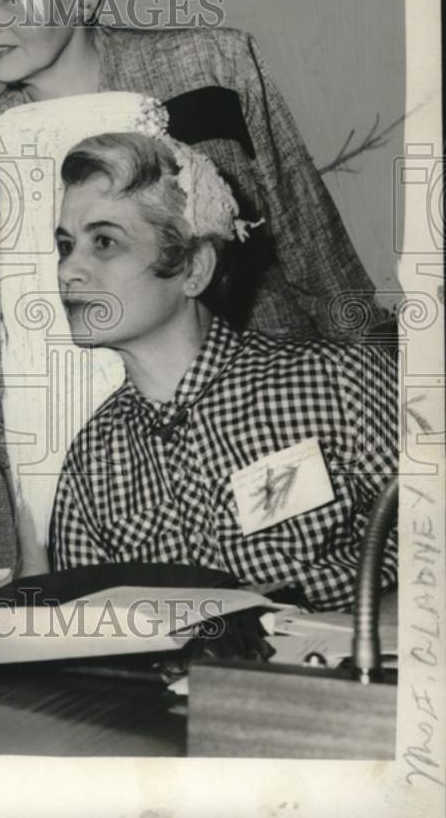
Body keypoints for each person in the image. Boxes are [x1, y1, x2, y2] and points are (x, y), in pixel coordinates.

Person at [0, 0, 390, 571]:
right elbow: (0, 360)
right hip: (112, 472)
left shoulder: (211, 68)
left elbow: (317, 252)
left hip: (279, 429)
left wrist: (384, 397)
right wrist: (33, 541)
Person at [48, 131, 397, 612]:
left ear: (194, 267)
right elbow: (87, 640)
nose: (69, 270)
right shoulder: (91, 460)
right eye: (65, 246)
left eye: (104, 242)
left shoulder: (340, 382)